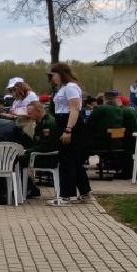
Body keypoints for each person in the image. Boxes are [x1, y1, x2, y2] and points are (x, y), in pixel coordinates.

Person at [48, 62, 90, 205]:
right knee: (74, 160)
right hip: (63, 123)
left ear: (60, 74)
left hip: (70, 124)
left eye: (53, 75)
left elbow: (74, 109)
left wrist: (68, 130)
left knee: (67, 161)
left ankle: (66, 196)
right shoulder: (63, 88)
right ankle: (84, 192)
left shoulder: (71, 88)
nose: (51, 78)